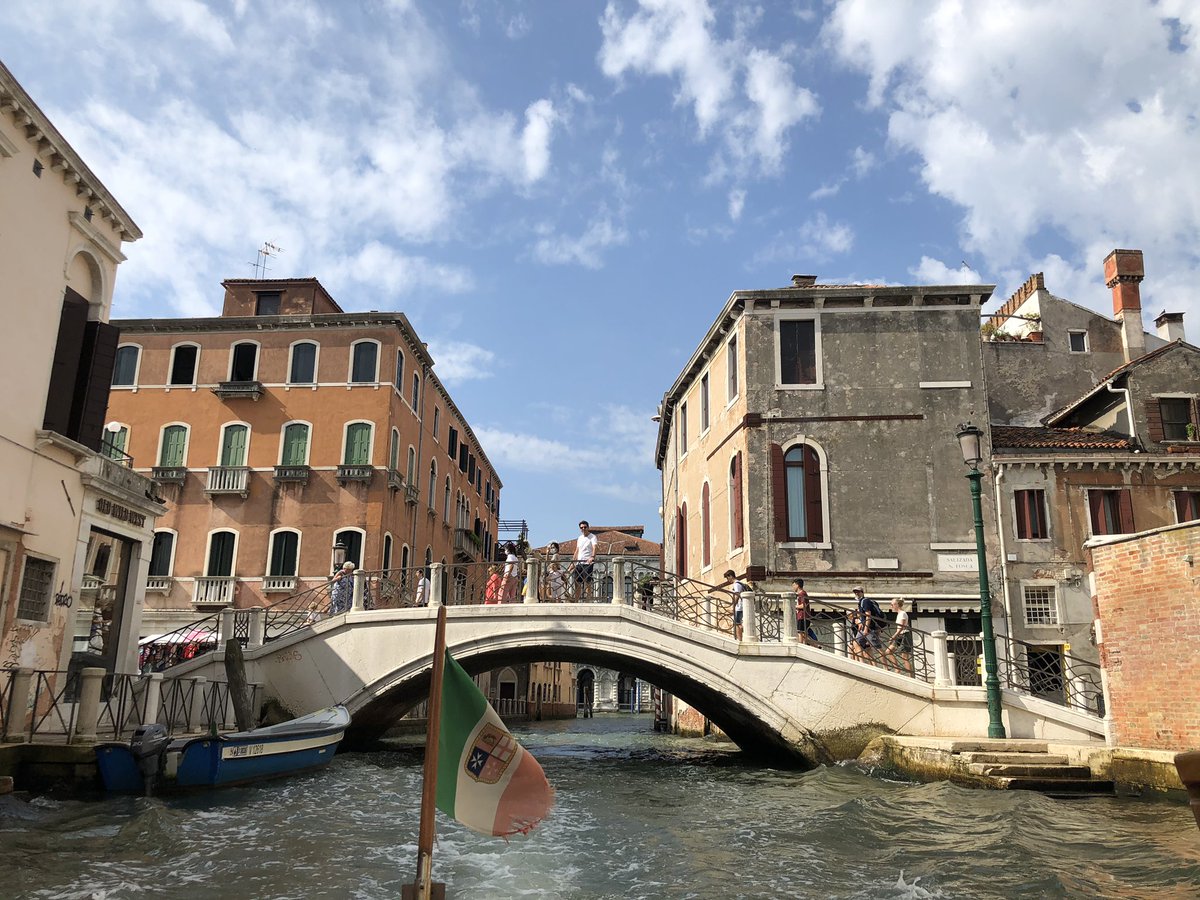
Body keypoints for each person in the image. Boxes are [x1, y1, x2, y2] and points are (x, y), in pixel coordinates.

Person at [853, 585, 884, 663]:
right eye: (855, 592)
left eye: (858, 592)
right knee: (856, 643)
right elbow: (863, 615)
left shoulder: (865, 601)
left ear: (862, 592)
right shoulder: (861, 602)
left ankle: (886, 668)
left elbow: (868, 615)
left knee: (877, 648)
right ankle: (861, 663)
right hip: (865, 627)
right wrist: (860, 622)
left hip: (870, 628)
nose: (856, 594)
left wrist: (866, 629)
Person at [884, 597, 914, 676]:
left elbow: (901, 628)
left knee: (904, 657)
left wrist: (893, 636)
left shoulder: (903, 614)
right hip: (899, 636)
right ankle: (897, 669)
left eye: (892, 604)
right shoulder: (899, 614)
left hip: (904, 635)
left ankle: (910, 676)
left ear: (897, 605)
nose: (891, 606)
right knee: (888, 651)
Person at [573, 521, 598, 601]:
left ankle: (588, 600)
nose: (583, 529)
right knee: (577, 583)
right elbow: (577, 550)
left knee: (587, 582)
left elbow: (595, 547)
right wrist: (573, 562)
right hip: (579, 563)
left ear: (588, 527)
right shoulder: (580, 538)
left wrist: (592, 557)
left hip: (588, 562)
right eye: (581, 527)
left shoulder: (592, 537)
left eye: (585, 527)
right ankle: (576, 600)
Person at [723, 569, 747, 640]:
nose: (728, 580)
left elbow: (737, 595)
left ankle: (740, 639)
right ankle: (740, 637)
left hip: (739, 607)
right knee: (738, 623)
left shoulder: (736, 584)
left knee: (737, 623)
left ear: (730, 576)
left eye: (727, 578)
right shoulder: (739, 583)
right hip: (740, 606)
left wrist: (733, 606)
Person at [793, 578, 817, 646]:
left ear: (797, 585)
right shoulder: (802, 594)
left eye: (794, 585)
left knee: (800, 632)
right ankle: (816, 646)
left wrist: (794, 606)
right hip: (803, 616)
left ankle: (801, 646)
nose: (793, 587)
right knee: (804, 634)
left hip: (802, 616)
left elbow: (803, 605)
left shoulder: (802, 594)